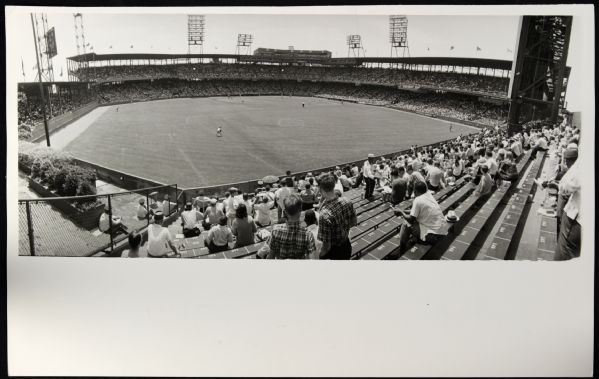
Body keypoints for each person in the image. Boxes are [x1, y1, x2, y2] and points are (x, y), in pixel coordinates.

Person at [392, 181, 450, 257]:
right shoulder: (428, 195)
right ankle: (414, 240)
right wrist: (402, 210)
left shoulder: (418, 200)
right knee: (413, 222)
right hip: (442, 231)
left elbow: (411, 219)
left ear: (415, 191)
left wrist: (401, 213)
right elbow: (416, 211)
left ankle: (401, 251)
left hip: (433, 236)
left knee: (406, 223)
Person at [257, 194, 316, 259]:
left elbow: (271, 257)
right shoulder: (308, 234)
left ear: (285, 212)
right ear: (300, 211)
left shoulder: (275, 230)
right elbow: (312, 260)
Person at [317, 173, 357, 260]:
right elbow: (354, 222)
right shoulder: (347, 201)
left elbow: (326, 247)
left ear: (321, 189)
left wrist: (319, 256)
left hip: (334, 252)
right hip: (346, 245)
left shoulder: (324, 215)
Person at [555, 157, 580, 261]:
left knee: (564, 255)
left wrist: (559, 186)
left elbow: (567, 186)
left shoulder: (588, 156)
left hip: (577, 219)